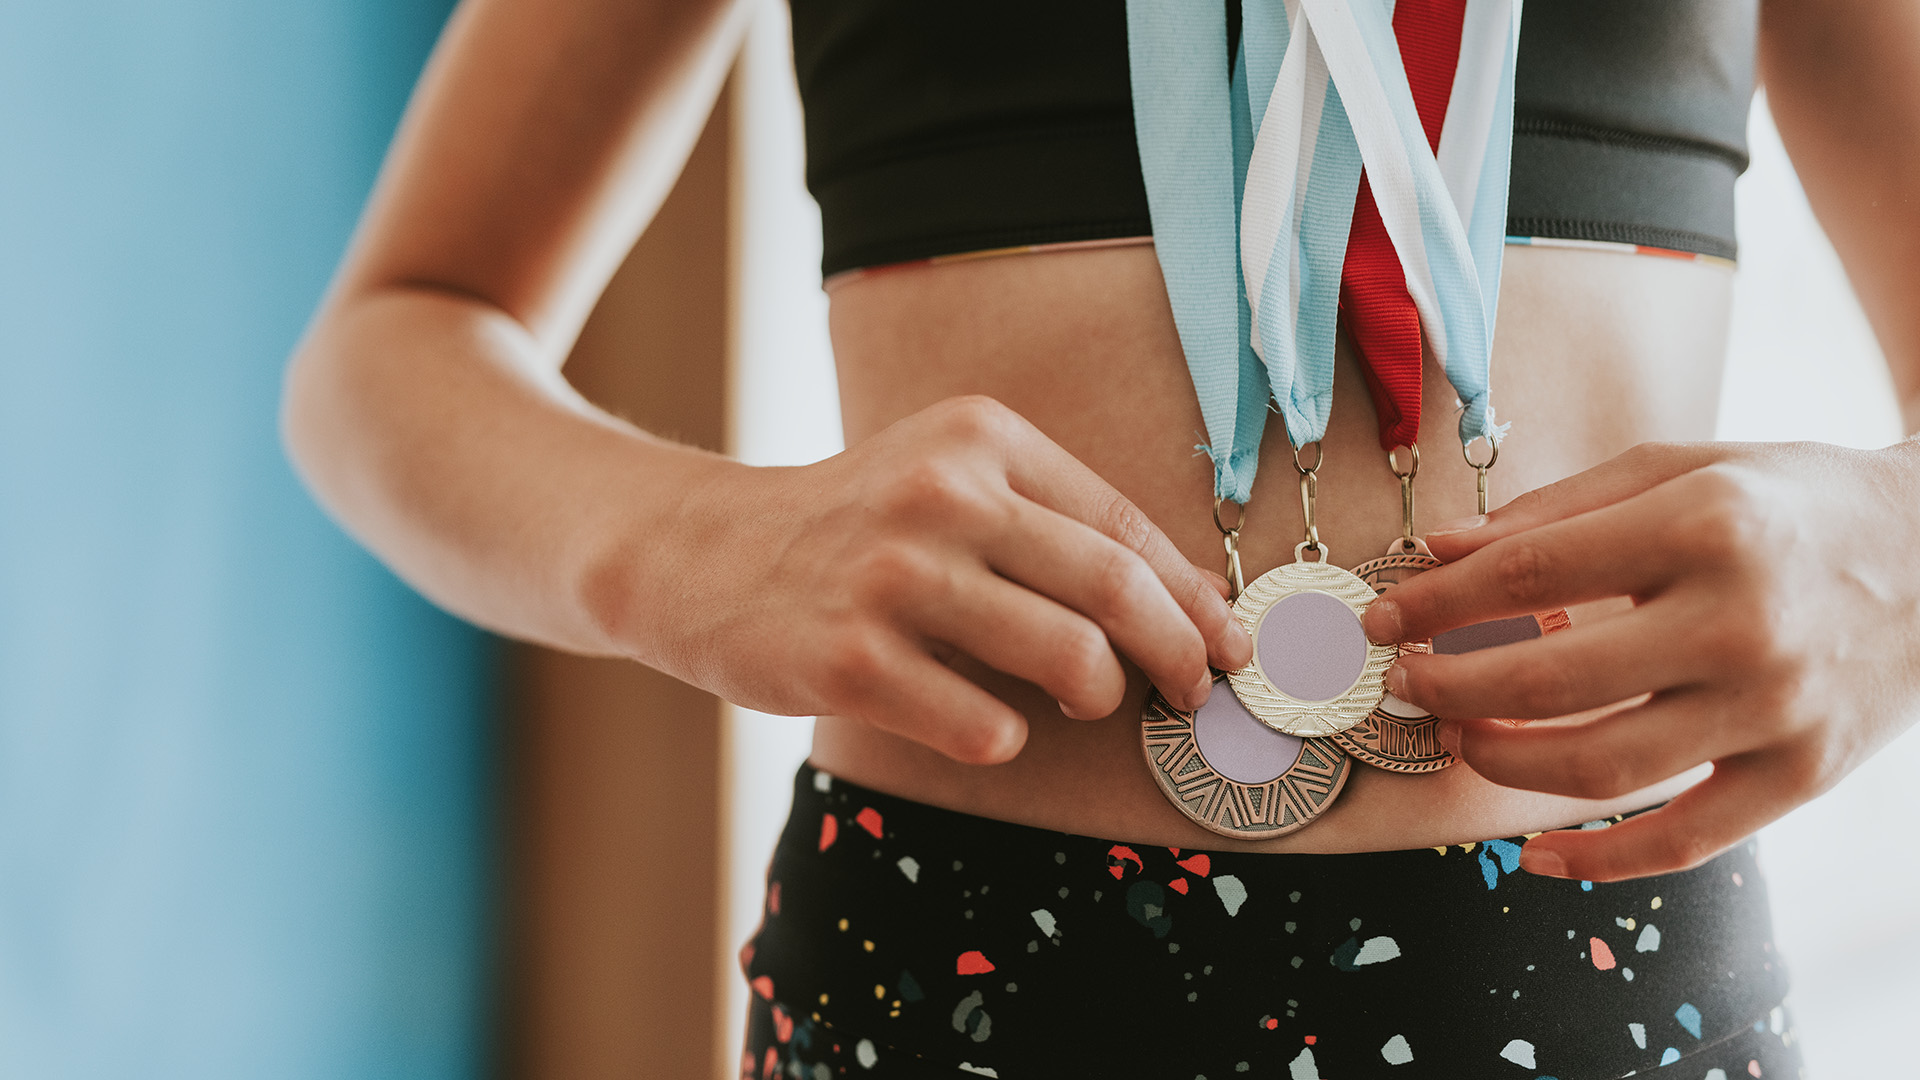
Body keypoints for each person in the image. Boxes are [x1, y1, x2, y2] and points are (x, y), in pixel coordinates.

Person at [282, 0, 1920, 1074]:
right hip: (963, 974)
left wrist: (1898, 560)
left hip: (1601, 966)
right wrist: (693, 541)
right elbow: (392, 343)